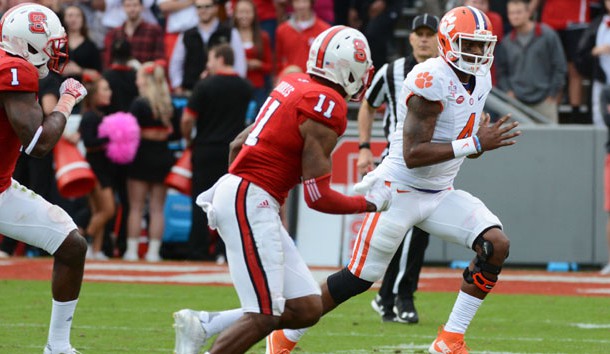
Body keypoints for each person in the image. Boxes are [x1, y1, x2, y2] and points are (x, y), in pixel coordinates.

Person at [266, 6, 521, 354]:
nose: (477, 53)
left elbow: (461, 146)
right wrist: (475, 141)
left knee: (496, 245)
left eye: (481, 45)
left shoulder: (481, 77)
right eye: (469, 44)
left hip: (439, 192)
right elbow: (414, 153)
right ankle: (284, 336)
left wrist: (476, 141)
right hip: (398, 189)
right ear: (448, 43)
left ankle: (450, 339)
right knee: (356, 279)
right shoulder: (430, 78)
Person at [172, 26, 392, 354]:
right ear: (345, 67)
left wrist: (249, 196)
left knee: (306, 307)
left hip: (245, 193)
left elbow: (237, 144)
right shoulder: (326, 104)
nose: (363, 76)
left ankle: (205, 325)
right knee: (263, 314)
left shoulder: (294, 84)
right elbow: (318, 197)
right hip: (250, 196)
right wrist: (370, 203)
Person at [0, 3, 88, 353]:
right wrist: (67, 101)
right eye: (50, 42)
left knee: (71, 245)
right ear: (27, 43)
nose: (56, 50)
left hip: (2, 187)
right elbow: (38, 143)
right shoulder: (14, 69)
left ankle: (58, 346)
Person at [358, 13, 438, 324]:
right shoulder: (392, 71)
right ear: (410, 37)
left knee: (419, 233)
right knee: (400, 232)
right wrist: (364, 146)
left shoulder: (447, 72)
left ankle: (390, 295)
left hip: (433, 163)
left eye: (429, 34)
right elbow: (368, 103)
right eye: (418, 33)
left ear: (438, 38)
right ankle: (397, 296)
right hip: (397, 163)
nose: (423, 39)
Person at [180, 44, 253, 262]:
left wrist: (188, 139)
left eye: (210, 59)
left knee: (201, 201)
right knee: (228, 202)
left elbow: (187, 119)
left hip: (205, 148)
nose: (207, 64)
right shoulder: (245, 86)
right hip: (233, 152)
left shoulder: (204, 85)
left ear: (220, 59)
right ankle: (225, 250)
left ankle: (199, 250)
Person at [123, 62, 176, 262]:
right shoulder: (167, 105)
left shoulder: (139, 104)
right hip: (162, 157)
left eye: (138, 77)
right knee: (157, 208)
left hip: (141, 156)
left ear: (145, 80)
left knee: (136, 207)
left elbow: (129, 130)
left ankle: (131, 251)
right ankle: (154, 252)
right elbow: (175, 133)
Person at [495, 0, 567, 123]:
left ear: (529, 13)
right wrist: (508, 91)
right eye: (511, 13)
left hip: (545, 101)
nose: (515, 16)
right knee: (514, 141)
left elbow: (560, 65)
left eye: (518, 12)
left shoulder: (548, 35)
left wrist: (552, 93)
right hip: (516, 101)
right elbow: (501, 71)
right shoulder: (506, 42)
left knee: (550, 141)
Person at [168, 0, 247, 94]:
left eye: (207, 6)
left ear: (216, 7)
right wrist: (177, 86)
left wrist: (235, 87)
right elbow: (176, 63)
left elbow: (240, 63)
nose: (203, 10)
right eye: (199, 7)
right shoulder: (186, 35)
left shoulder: (230, 32)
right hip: (191, 92)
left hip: (223, 91)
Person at [79, 77, 116, 260]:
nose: (109, 92)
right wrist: (111, 139)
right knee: (108, 210)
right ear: (94, 95)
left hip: (102, 167)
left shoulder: (101, 115)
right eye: (105, 89)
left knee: (98, 211)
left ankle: (96, 251)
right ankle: (83, 238)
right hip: (96, 168)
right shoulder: (90, 116)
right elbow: (89, 142)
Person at [233, 0, 273, 111]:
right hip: (235, 87)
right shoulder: (230, 36)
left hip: (257, 88)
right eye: (241, 12)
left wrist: (258, 64)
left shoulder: (262, 37)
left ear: (254, 14)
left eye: (248, 12)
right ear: (235, 14)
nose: (244, 16)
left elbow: (270, 67)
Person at [103, 0, 165, 68]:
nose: (132, 9)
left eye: (135, 5)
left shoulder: (154, 31)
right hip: (121, 75)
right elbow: (109, 60)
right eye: (128, 6)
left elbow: (159, 59)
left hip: (146, 75)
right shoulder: (115, 33)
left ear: (142, 7)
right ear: (123, 8)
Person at [274, 0, 330, 74]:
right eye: (297, 2)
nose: (301, 6)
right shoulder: (282, 30)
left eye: (304, 1)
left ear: (311, 3)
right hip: (291, 80)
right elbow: (278, 61)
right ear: (292, 3)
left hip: (314, 80)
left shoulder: (324, 29)